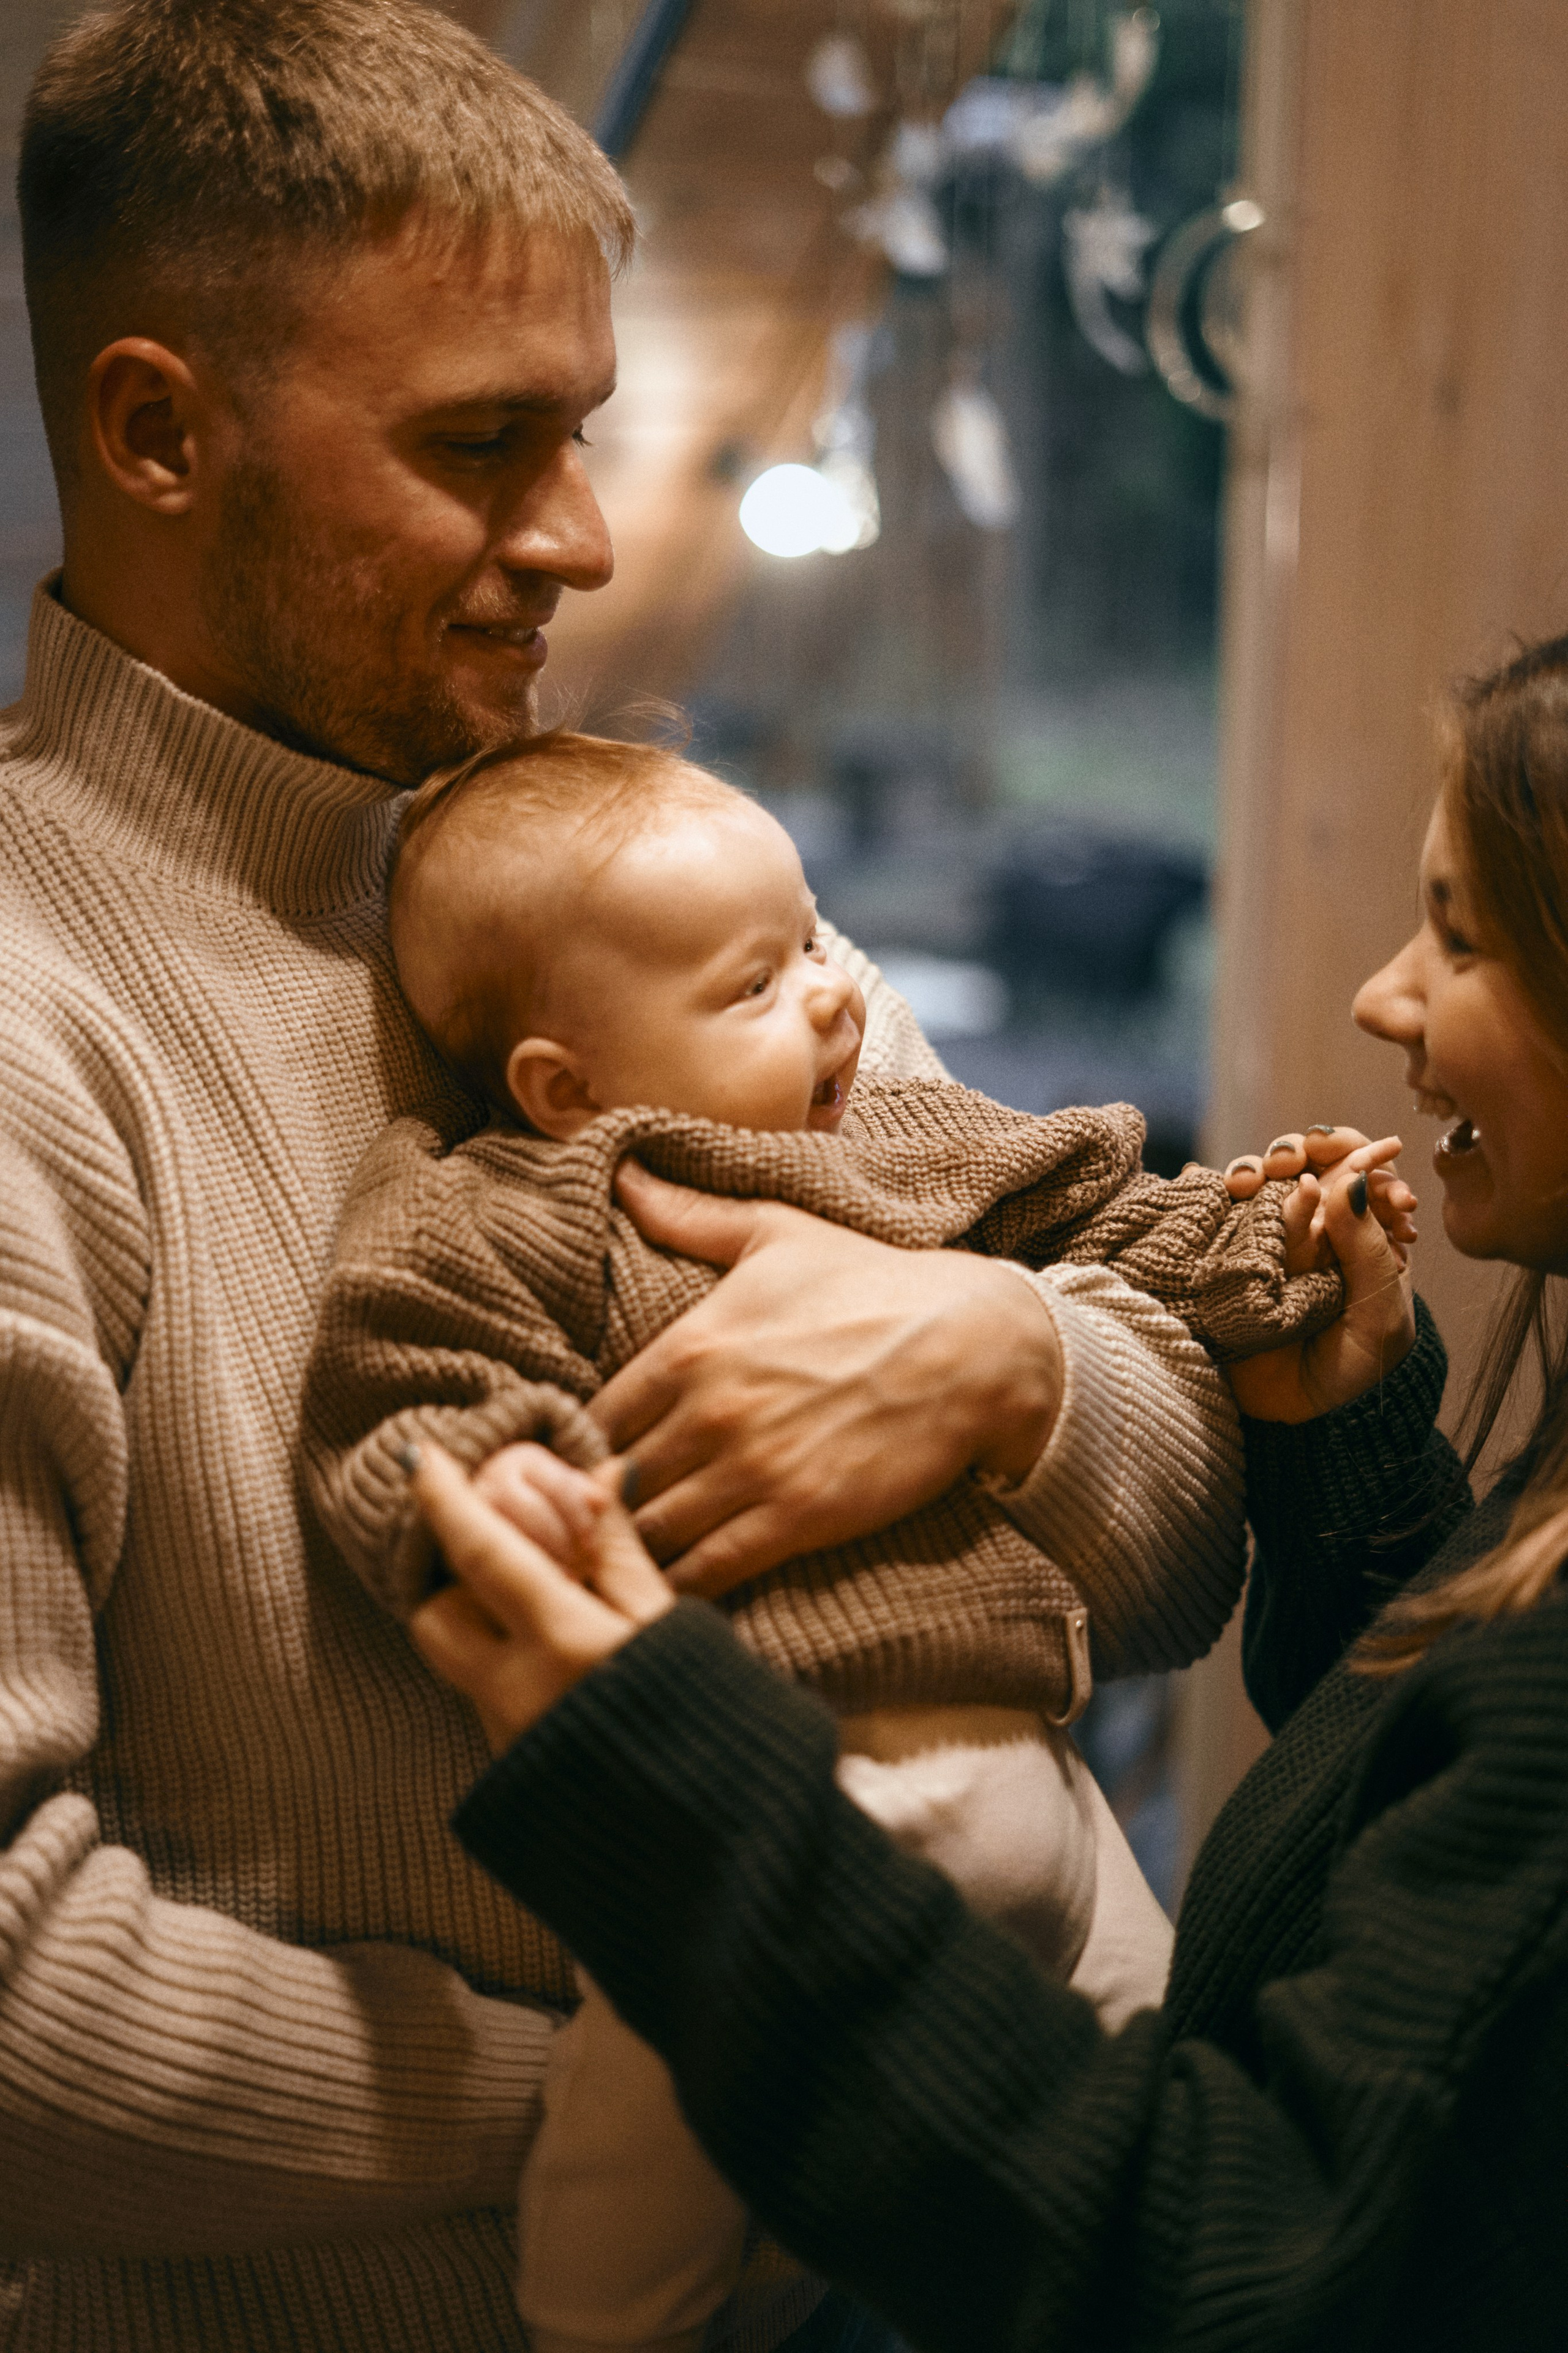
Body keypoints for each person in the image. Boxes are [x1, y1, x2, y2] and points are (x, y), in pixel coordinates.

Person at [1, 1, 1276, 2343]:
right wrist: (746, 2054)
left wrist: (1009, 1360)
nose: (581, 538)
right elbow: (14, 1989)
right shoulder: (27, 1028)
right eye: (482, 446)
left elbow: (1190, 1537)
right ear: (156, 427)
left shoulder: (634, 871)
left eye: (575, 434)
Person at [402, 634, 1568, 2351]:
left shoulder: (843, 1054)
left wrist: (695, 1801)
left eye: (1460, 939)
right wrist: (1350, 1452)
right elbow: (1413, 1844)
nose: (1382, 998)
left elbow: (1237, 2269)